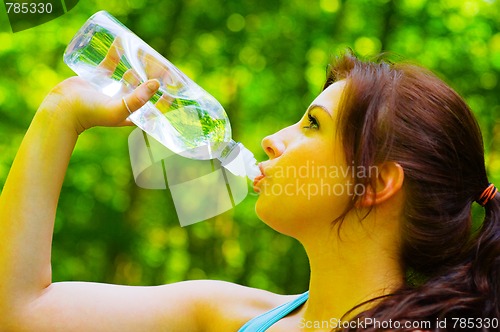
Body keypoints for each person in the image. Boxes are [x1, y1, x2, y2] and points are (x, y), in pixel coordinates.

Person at [0, 50, 498, 332]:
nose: (271, 140)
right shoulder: (228, 314)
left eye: (312, 123)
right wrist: (60, 111)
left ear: (378, 182)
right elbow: (21, 312)